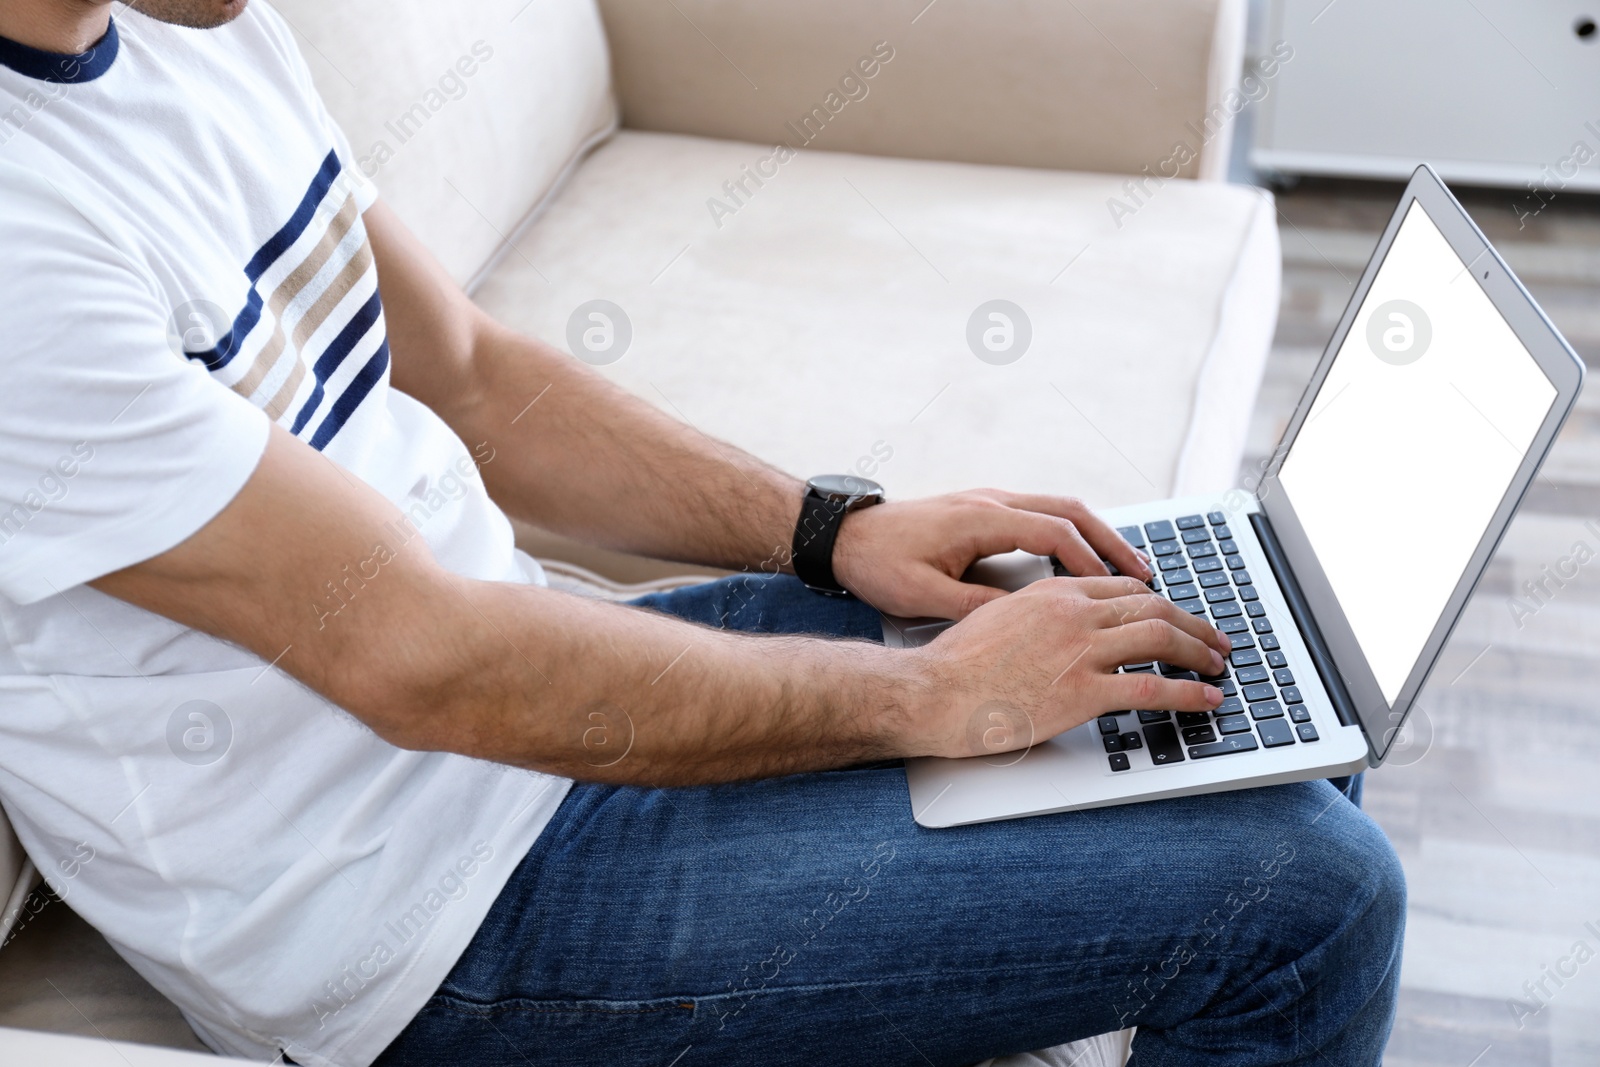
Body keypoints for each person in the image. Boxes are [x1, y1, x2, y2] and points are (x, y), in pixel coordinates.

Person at [0, 0, 1405, 1064]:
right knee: (1315, 898)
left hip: (544, 716)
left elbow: (474, 376)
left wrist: (829, 530)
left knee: (1215, 676)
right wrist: (931, 695)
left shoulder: (194, 36)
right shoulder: (25, 240)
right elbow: (418, 661)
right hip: (419, 919)